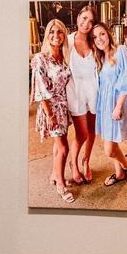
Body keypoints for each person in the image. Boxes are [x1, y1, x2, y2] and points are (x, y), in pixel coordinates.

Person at [30, 18, 75, 203]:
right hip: (51, 109)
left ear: (64, 35)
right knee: (64, 147)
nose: (56, 36)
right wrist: (49, 114)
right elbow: (41, 88)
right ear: (47, 35)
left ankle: (54, 174)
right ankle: (60, 184)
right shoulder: (40, 58)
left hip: (63, 107)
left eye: (59, 32)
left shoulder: (64, 57)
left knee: (58, 146)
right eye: (52, 32)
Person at [93, 19, 127, 187]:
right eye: (95, 37)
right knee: (112, 140)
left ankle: (125, 164)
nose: (99, 39)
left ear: (108, 34)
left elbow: (126, 80)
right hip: (105, 106)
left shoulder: (121, 51)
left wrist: (118, 107)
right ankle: (119, 174)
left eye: (102, 34)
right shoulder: (101, 58)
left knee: (109, 149)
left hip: (116, 104)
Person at [64, 4, 100, 185]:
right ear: (78, 17)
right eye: (84, 18)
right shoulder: (68, 41)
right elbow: (51, 53)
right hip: (75, 93)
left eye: (90, 21)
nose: (86, 24)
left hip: (93, 93)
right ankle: (74, 163)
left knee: (92, 131)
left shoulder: (95, 43)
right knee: (81, 134)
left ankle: (86, 161)